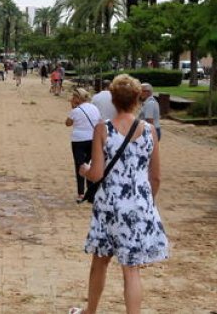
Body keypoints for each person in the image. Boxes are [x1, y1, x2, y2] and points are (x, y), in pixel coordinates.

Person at [71, 74, 168, 314]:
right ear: (138, 99)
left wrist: (84, 169)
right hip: (137, 205)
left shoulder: (103, 128)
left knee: (100, 262)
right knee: (131, 269)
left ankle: (89, 311)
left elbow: (97, 173)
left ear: (113, 99)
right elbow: (155, 176)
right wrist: (148, 203)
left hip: (109, 205)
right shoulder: (149, 132)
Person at [66, 88, 101, 202]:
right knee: (90, 164)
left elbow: (68, 123)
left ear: (77, 98)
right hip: (92, 139)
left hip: (79, 140)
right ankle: (91, 192)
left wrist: (73, 107)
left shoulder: (76, 110)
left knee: (79, 165)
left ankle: (81, 193)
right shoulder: (94, 108)